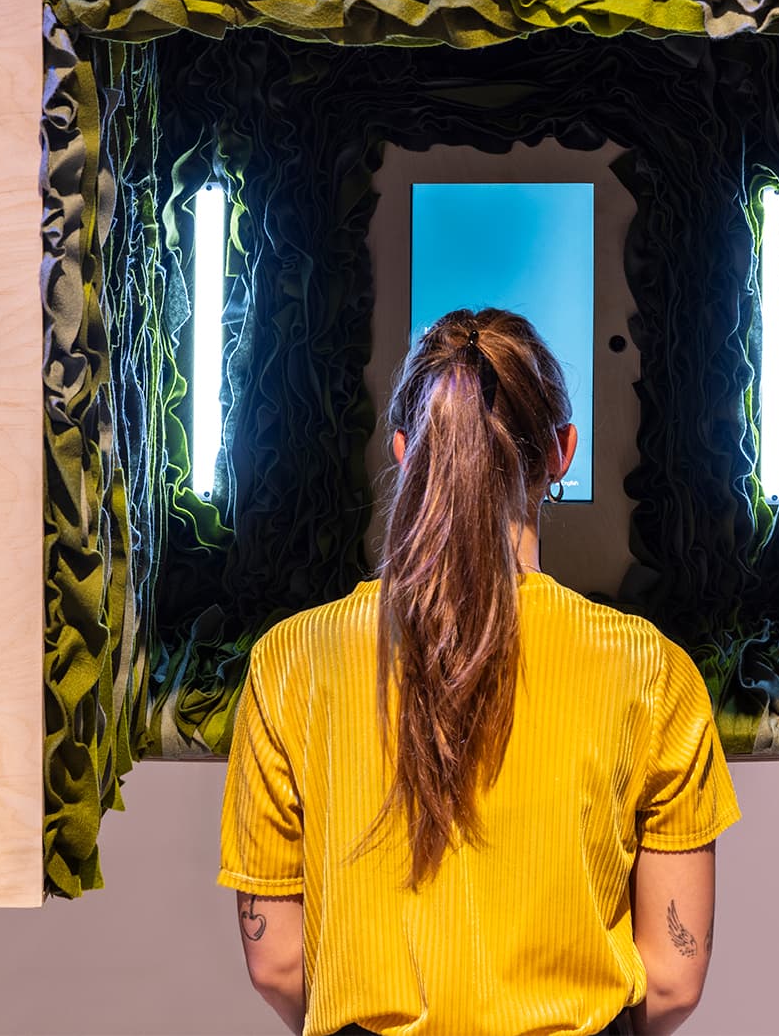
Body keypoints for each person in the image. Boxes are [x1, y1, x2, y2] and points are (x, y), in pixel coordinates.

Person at [217, 306, 742, 1036]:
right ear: (562, 452)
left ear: (403, 450)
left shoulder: (287, 663)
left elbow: (276, 963)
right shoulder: (652, 672)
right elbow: (675, 977)